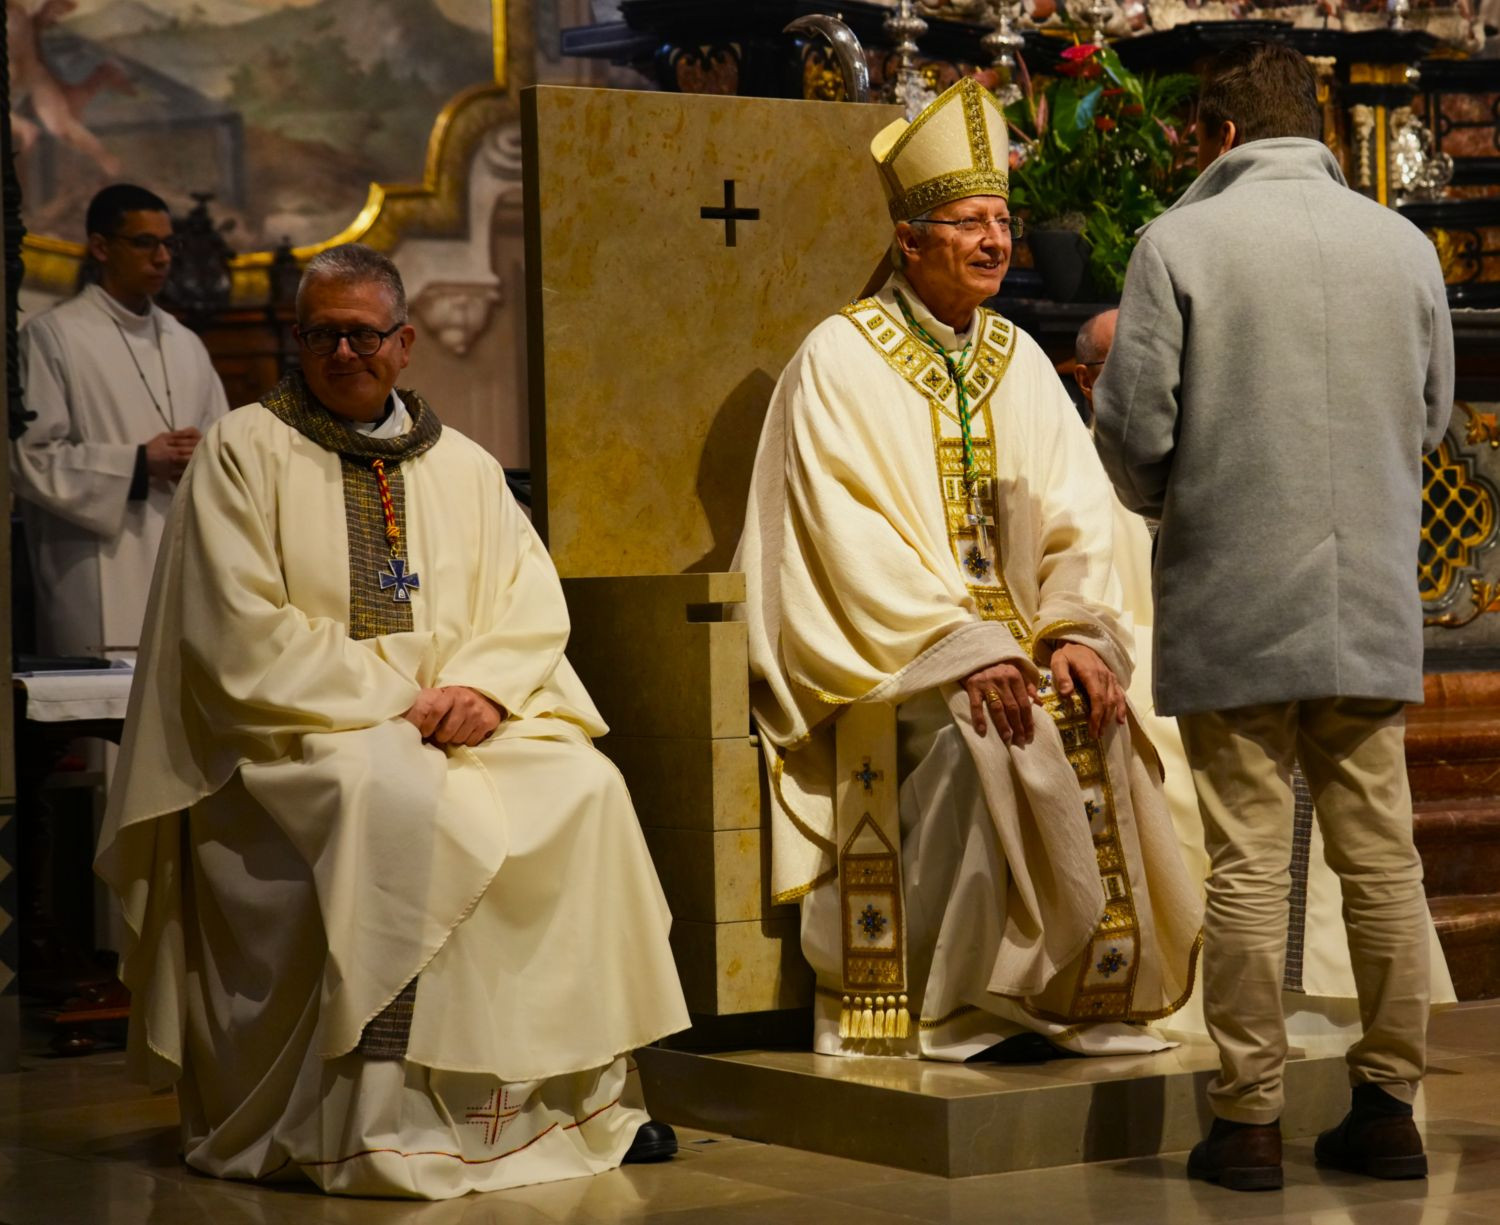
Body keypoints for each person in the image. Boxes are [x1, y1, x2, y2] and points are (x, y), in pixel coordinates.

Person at [95, 244, 690, 1200]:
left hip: (463, 720)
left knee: (588, 788)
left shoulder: (463, 466)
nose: (342, 352)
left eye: (363, 334)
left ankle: (576, 1097)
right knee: (396, 804)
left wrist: (487, 688)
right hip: (300, 734)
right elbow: (238, 629)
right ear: (297, 339)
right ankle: (379, 1116)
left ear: (404, 343)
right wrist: (398, 702)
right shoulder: (244, 450)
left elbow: (528, 601)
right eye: (321, 333)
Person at [735, 78, 1202, 1063]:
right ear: (910, 241)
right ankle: (965, 999)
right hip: (899, 666)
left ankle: (1090, 992)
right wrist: (966, 646)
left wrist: (1076, 635)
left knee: (1101, 718)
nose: (996, 241)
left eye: (1003, 220)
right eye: (968, 223)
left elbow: (1079, 515)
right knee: (1000, 729)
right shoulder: (839, 360)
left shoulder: (1021, 359)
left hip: (1026, 645)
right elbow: (841, 538)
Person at [1094, 42, 1454, 1192]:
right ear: (1322, 130)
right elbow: (1436, 418)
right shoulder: (1403, 245)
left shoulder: (1180, 243)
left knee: (1249, 861)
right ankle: (1390, 1106)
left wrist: (1170, 503)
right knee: (1381, 857)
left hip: (1237, 592)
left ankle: (1247, 1121)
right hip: (1372, 601)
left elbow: (1139, 430)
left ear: (1216, 135)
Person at [13, 183, 228, 660]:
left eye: (168, 244)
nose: (163, 258)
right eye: (145, 243)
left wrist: (203, 454)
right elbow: (30, 458)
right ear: (101, 247)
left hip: (180, 567)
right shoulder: (53, 337)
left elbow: (228, 447)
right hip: (95, 573)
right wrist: (137, 463)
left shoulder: (186, 342)